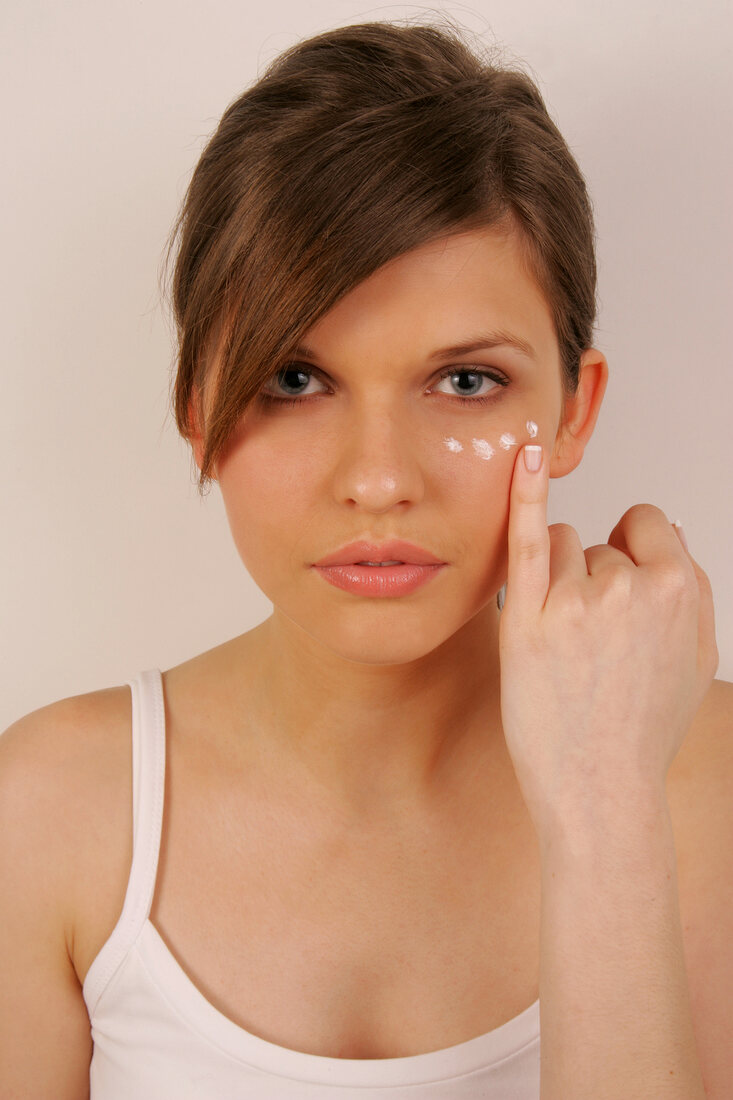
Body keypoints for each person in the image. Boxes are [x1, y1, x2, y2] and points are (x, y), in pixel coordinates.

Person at [1, 18, 730, 1100]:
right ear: (196, 413)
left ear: (573, 409)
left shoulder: (703, 780)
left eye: (466, 381)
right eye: (295, 379)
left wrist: (603, 807)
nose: (379, 478)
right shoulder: (52, 812)